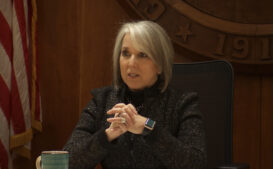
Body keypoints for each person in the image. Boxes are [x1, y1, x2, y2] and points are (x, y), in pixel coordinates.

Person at [63, 20, 206, 169]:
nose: (131, 63)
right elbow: (66, 162)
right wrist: (107, 136)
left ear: (160, 65)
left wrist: (148, 128)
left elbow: (196, 163)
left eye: (142, 55)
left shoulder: (182, 103)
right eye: (126, 53)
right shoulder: (102, 101)